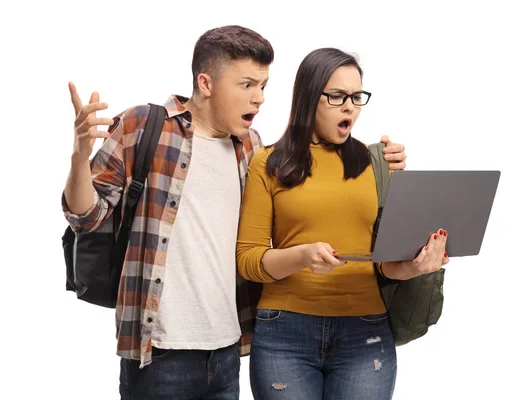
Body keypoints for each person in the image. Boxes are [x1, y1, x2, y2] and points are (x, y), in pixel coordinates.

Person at [63, 25, 407, 399]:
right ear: (206, 83)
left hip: (228, 350)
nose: (258, 99)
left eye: (263, 86)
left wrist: (380, 158)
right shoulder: (143, 126)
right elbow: (87, 216)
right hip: (158, 350)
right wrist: (80, 157)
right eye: (247, 85)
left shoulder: (251, 148)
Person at [236, 47, 448, 400]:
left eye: (356, 96)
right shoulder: (267, 162)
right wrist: (301, 256)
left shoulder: (375, 162)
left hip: (365, 334)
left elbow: (382, 262)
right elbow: (248, 260)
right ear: (308, 97)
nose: (350, 106)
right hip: (284, 333)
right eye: (336, 96)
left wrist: (412, 267)